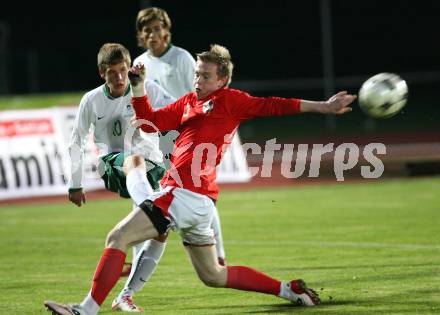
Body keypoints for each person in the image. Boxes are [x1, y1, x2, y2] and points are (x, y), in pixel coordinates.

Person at [44, 44, 356, 315]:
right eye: (196, 74)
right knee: (214, 276)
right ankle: (290, 290)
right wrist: (138, 88)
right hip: (196, 201)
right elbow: (150, 124)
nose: (198, 80)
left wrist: (323, 106)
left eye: (205, 76)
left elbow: (274, 105)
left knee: (118, 238)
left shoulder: (231, 100)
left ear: (222, 80)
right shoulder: (187, 104)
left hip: (182, 195)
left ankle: (85, 310)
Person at [111, 7, 227, 313]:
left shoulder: (183, 58)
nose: (152, 34)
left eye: (157, 28)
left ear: (167, 30)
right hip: (156, 140)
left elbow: (198, 95)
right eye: (146, 30)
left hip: (185, 137)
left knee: (194, 196)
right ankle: (132, 271)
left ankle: (220, 255)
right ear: (140, 35)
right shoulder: (139, 64)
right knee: (152, 205)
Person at [66, 41, 174, 281]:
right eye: (112, 72)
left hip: (150, 161)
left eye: (123, 70)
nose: (119, 77)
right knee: (138, 173)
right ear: (102, 73)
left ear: (130, 68)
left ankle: (129, 291)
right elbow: (77, 142)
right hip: (112, 163)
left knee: (156, 230)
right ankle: (149, 205)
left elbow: (177, 112)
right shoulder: (92, 100)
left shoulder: (147, 89)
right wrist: (74, 184)